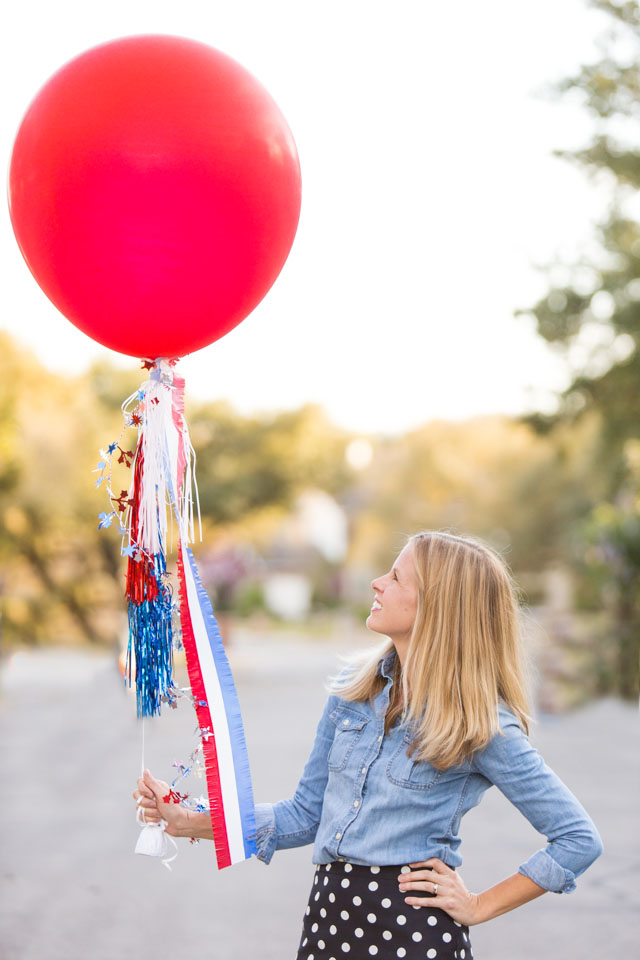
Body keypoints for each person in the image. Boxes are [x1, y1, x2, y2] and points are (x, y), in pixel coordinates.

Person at [134, 530, 604, 959]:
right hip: (327, 926)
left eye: (396, 577)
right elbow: (303, 815)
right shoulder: (353, 693)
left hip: (414, 938)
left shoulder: (481, 724)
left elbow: (577, 839)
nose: (378, 583)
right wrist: (189, 820)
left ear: (438, 607)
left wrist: (479, 905)